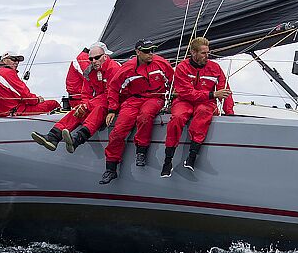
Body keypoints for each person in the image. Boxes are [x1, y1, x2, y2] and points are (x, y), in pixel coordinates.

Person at [99, 39, 174, 185]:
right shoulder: (127, 68)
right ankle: (111, 168)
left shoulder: (161, 63)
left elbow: (174, 82)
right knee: (118, 131)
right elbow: (113, 87)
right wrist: (112, 109)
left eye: (152, 50)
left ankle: (141, 151)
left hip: (155, 97)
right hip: (133, 100)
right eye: (147, 51)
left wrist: (172, 103)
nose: (150, 54)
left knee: (145, 116)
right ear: (138, 52)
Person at [161, 36, 233, 178]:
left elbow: (225, 91)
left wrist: (229, 113)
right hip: (184, 100)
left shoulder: (215, 68)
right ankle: (167, 161)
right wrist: (212, 94)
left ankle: (192, 157)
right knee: (177, 118)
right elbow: (188, 93)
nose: (207, 56)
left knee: (203, 112)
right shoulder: (182, 68)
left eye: (208, 53)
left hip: (205, 103)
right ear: (193, 53)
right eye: (203, 53)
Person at [31, 42, 120, 152]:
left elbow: (111, 94)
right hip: (102, 100)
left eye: (96, 58)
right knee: (78, 110)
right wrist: (83, 105)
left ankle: (77, 139)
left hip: (115, 101)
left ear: (105, 56)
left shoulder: (114, 69)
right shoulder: (90, 71)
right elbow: (86, 93)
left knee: (98, 109)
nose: (93, 61)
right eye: (91, 59)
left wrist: (88, 106)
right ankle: (53, 136)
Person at [0, 51, 60, 117]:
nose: (16, 62)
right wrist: (37, 99)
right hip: (15, 112)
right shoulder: (8, 73)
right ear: (4, 61)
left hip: (0, 113)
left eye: (18, 61)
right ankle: (61, 128)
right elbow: (25, 95)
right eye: (13, 59)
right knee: (53, 104)